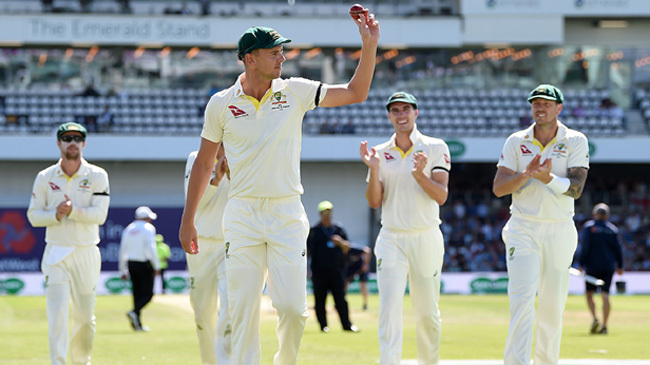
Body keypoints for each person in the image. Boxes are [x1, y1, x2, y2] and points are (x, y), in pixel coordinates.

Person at [179, 11, 380, 364]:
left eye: (282, 52)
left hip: (287, 212)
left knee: (292, 309)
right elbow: (203, 164)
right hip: (241, 214)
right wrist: (187, 220)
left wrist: (369, 45)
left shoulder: (296, 91)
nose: (283, 58)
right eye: (274, 52)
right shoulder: (221, 103)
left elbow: (356, 92)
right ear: (250, 58)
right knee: (241, 312)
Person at [493, 84, 589, 365]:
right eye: (536, 103)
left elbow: (576, 189)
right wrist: (526, 174)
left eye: (546, 103)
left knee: (552, 305)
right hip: (523, 226)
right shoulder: (516, 141)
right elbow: (499, 188)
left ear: (559, 108)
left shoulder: (575, 140)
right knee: (521, 300)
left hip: (559, 227)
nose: (540, 107)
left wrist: (547, 178)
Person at [360, 91, 450, 365]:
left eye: (406, 109)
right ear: (389, 116)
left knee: (427, 313)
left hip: (425, 236)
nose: (401, 115)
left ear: (416, 113)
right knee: (389, 310)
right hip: (392, 237)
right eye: (395, 110)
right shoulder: (380, 152)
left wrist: (420, 175)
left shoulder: (435, 147)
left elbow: (441, 195)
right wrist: (374, 170)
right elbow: (375, 201)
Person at [27, 122, 110, 365]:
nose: (72, 142)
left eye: (77, 138)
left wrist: (72, 211)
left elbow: (100, 216)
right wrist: (56, 214)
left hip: (86, 251)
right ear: (59, 143)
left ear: (83, 143)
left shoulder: (97, 175)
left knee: (85, 317)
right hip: (56, 253)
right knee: (58, 315)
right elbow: (33, 216)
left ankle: (81, 362)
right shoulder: (45, 177)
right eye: (66, 138)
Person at [184, 148, 233, 365]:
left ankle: (228, 361)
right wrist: (216, 180)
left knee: (232, 306)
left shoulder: (243, 152)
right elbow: (194, 202)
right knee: (203, 314)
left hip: (231, 244)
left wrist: (234, 177)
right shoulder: (197, 158)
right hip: (202, 243)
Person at [307, 200, 358, 333]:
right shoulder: (314, 231)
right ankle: (323, 326)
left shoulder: (338, 229)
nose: (327, 215)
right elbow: (307, 251)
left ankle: (347, 325)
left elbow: (348, 247)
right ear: (320, 214)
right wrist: (305, 268)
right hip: (319, 272)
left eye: (329, 212)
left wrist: (340, 242)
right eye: (324, 213)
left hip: (337, 271)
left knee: (340, 299)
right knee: (320, 300)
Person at [578, 202, 624, 335]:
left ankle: (594, 318)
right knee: (605, 295)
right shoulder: (613, 230)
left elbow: (585, 247)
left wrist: (581, 264)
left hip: (592, 267)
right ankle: (604, 325)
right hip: (608, 267)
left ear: (595, 214)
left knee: (589, 294)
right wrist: (620, 266)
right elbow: (618, 249)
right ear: (607, 216)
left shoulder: (589, 227)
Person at [119, 206, 161, 332]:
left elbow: (122, 250)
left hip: (131, 264)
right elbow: (151, 247)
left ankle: (138, 324)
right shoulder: (148, 228)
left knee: (136, 294)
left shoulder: (128, 229)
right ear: (146, 218)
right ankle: (134, 312)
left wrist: (122, 269)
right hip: (144, 264)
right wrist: (157, 265)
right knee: (148, 294)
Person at [345, 243, 371, 311]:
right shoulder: (341, 252)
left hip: (361, 267)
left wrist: (365, 264)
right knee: (345, 284)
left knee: (363, 284)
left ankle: (365, 304)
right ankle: (341, 301)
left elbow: (367, 251)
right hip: (351, 268)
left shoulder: (354, 249)